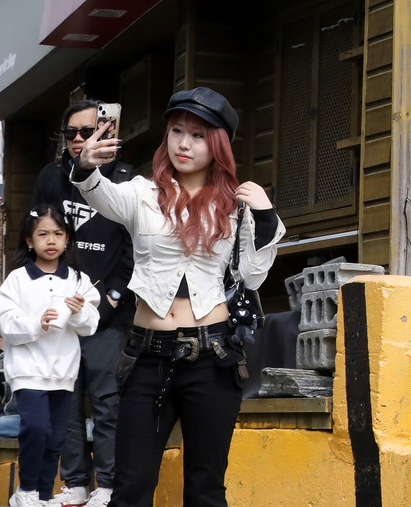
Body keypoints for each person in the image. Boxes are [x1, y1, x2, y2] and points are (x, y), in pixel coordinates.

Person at [70, 87, 284, 507]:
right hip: (147, 356)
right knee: (130, 487)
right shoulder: (141, 194)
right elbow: (97, 192)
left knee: (205, 489)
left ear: (218, 144)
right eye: (177, 131)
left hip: (213, 356)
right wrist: (85, 166)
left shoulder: (234, 205)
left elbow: (254, 277)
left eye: (199, 135)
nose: (184, 143)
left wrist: (265, 214)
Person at [32, 100, 135, 507]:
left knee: (107, 400)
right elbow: (36, 236)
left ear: (106, 132)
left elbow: (134, 249)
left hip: (107, 315)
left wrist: (110, 299)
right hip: (59, 313)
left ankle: (107, 485)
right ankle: (75, 482)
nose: (78, 140)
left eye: (86, 131)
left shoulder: (128, 180)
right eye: (71, 133)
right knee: (66, 400)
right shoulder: (50, 177)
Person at [0, 204, 101, 507]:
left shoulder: (79, 280)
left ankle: (42, 496)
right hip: (27, 369)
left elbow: (89, 327)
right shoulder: (17, 279)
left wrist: (80, 310)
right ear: (30, 241)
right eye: (42, 234)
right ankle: (26, 491)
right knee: (36, 427)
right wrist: (37, 323)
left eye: (58, 233)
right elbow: (6, 323)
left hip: (63, 371)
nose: (51, 240)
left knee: (56, 437)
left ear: (67, 238)